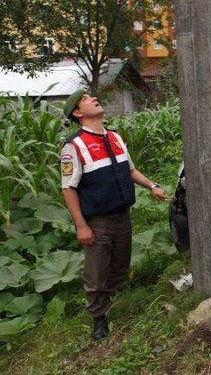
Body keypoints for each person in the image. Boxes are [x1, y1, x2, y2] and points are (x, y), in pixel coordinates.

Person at [60, 89, 166, 340]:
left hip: (122, 216)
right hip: (97, 221)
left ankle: (110, 300)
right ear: (77, 112)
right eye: (86, 99)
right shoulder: (73, 146)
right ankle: (98, 318)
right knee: (96, 273)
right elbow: (68, 188)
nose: (93, 99)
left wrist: (152, 186)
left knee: (120, 265)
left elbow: (130, 170)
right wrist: (81, 226)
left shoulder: (115, 137)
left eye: (91, 96)